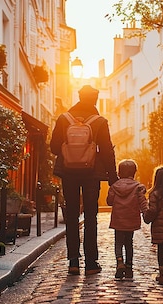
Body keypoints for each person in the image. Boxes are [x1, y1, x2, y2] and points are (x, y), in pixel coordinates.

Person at [50, 85, 118, 276]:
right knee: (90, 217)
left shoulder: (64, 119)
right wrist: (113, 177)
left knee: (71, 216)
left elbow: (54, 147)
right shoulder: (100, 122)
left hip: (68, 172)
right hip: (92, 174)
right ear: (95, 99)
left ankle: (73, 261)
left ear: (78, 97)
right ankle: (90, 262)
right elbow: (106, 151)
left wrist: (69, 146)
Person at [106, 159, 148, 279]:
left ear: (119, 173)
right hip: (131, 220)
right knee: (129, 243)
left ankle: (119, 262)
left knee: (118, 243)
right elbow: (143, 203)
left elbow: (109, 202)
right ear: (134, 172)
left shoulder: (114, 186)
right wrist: (146, 214)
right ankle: (129, 268)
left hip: (118, 220)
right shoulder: (138, 187)